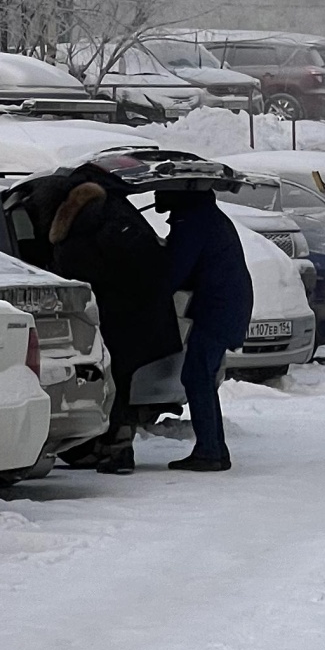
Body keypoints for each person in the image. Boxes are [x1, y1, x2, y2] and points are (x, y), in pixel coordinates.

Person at [46, 168, 182, 474]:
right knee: (116, 381)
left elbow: (81, 271)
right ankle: (110, 447)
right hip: (133, 315)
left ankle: (115, 451)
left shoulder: (92, 225)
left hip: (115, 316)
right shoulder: (115, 217)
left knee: (112, 382)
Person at [157, 183, 254, 473]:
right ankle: (214, 449)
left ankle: (210, 451)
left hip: (218, 307)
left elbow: (176, 270)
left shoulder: (192, 222)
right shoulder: (204, 215)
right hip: (226, 305)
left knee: (197, 376)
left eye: (160, 190)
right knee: (202, 377)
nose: (156, 196)